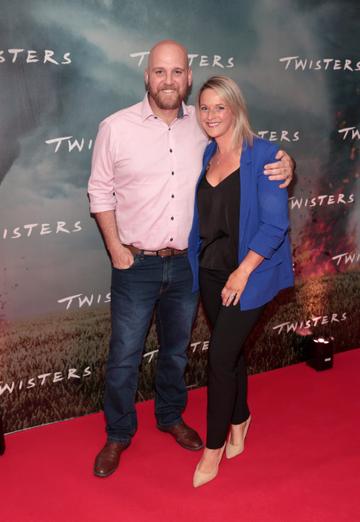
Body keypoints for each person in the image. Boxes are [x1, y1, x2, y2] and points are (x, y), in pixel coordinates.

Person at [88, 40, 294, 478]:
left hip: (187, 266)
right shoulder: (116, 127)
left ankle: (170, 417)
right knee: (125, 355)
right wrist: (116, 249)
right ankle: (118, 434)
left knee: (177, 353)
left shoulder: (203, 129)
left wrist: (285, 162)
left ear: (188, 77)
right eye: (159, 72)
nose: (168, 80)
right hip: (136, 264)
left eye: (176, 72)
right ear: (147, 76)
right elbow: (99, 190)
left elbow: (248, 148)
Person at [188, 76, 294, 487]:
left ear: (235, 109)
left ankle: (212, 452)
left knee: (218, 358)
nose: (211, 115)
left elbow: (275, 225)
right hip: (211, 272)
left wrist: (243, 270)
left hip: (247, 275)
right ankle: (240, 418)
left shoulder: (265, 154)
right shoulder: (207, 157)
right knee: (231, 354)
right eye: (204, 107)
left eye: (220, 107)